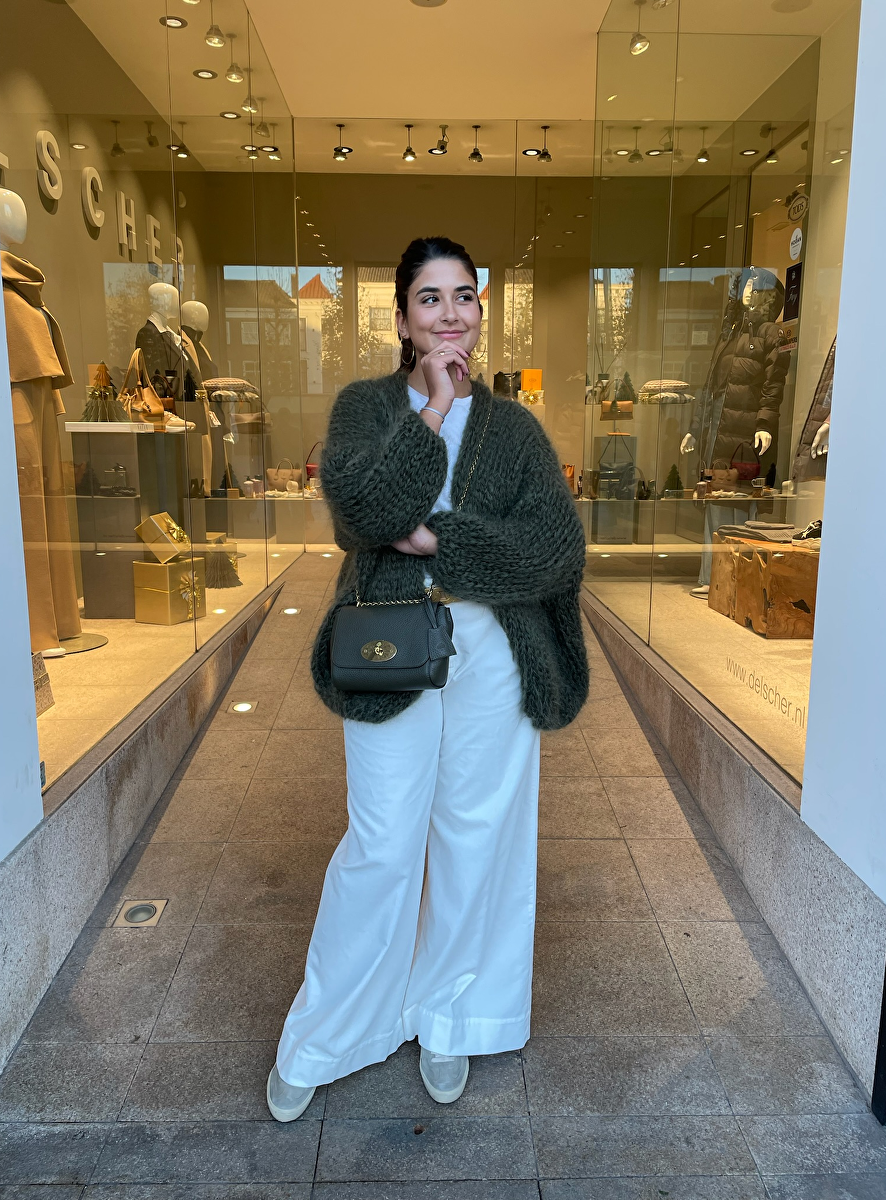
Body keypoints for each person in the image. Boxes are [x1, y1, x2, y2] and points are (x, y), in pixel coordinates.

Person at [267, 236, 589, 1121]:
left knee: (474, 838)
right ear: (404, 318)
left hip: (492, 655)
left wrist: (441, 542)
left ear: (482, 311)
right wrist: (437, 407)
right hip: (389, 647)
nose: (451, 314)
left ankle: (452, 1016)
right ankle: (328, 1033)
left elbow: (555, 550)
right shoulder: (366, 408)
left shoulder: (516, 431)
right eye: (431, 298)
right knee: (381, 842)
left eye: (465, 297)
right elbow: (364, 511)